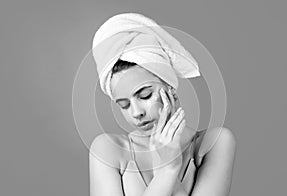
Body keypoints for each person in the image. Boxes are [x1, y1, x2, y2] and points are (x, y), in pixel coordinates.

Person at [89, 13, 236, 196]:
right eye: (124, 105)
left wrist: (169, 162)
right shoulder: (108, 150)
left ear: (170, 88)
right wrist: (167, 169)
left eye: (145, 95)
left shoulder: (214, 143)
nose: (136, 113)